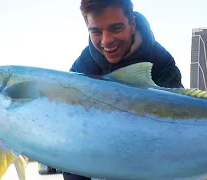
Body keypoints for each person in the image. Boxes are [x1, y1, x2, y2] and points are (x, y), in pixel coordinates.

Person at [63, 0, 184, 179]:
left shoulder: (160, 62)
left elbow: (180, 129)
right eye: (96, 31)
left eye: (115, 28)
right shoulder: (83, 68)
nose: (106, 41)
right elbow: (73, 139)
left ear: (132, 24)